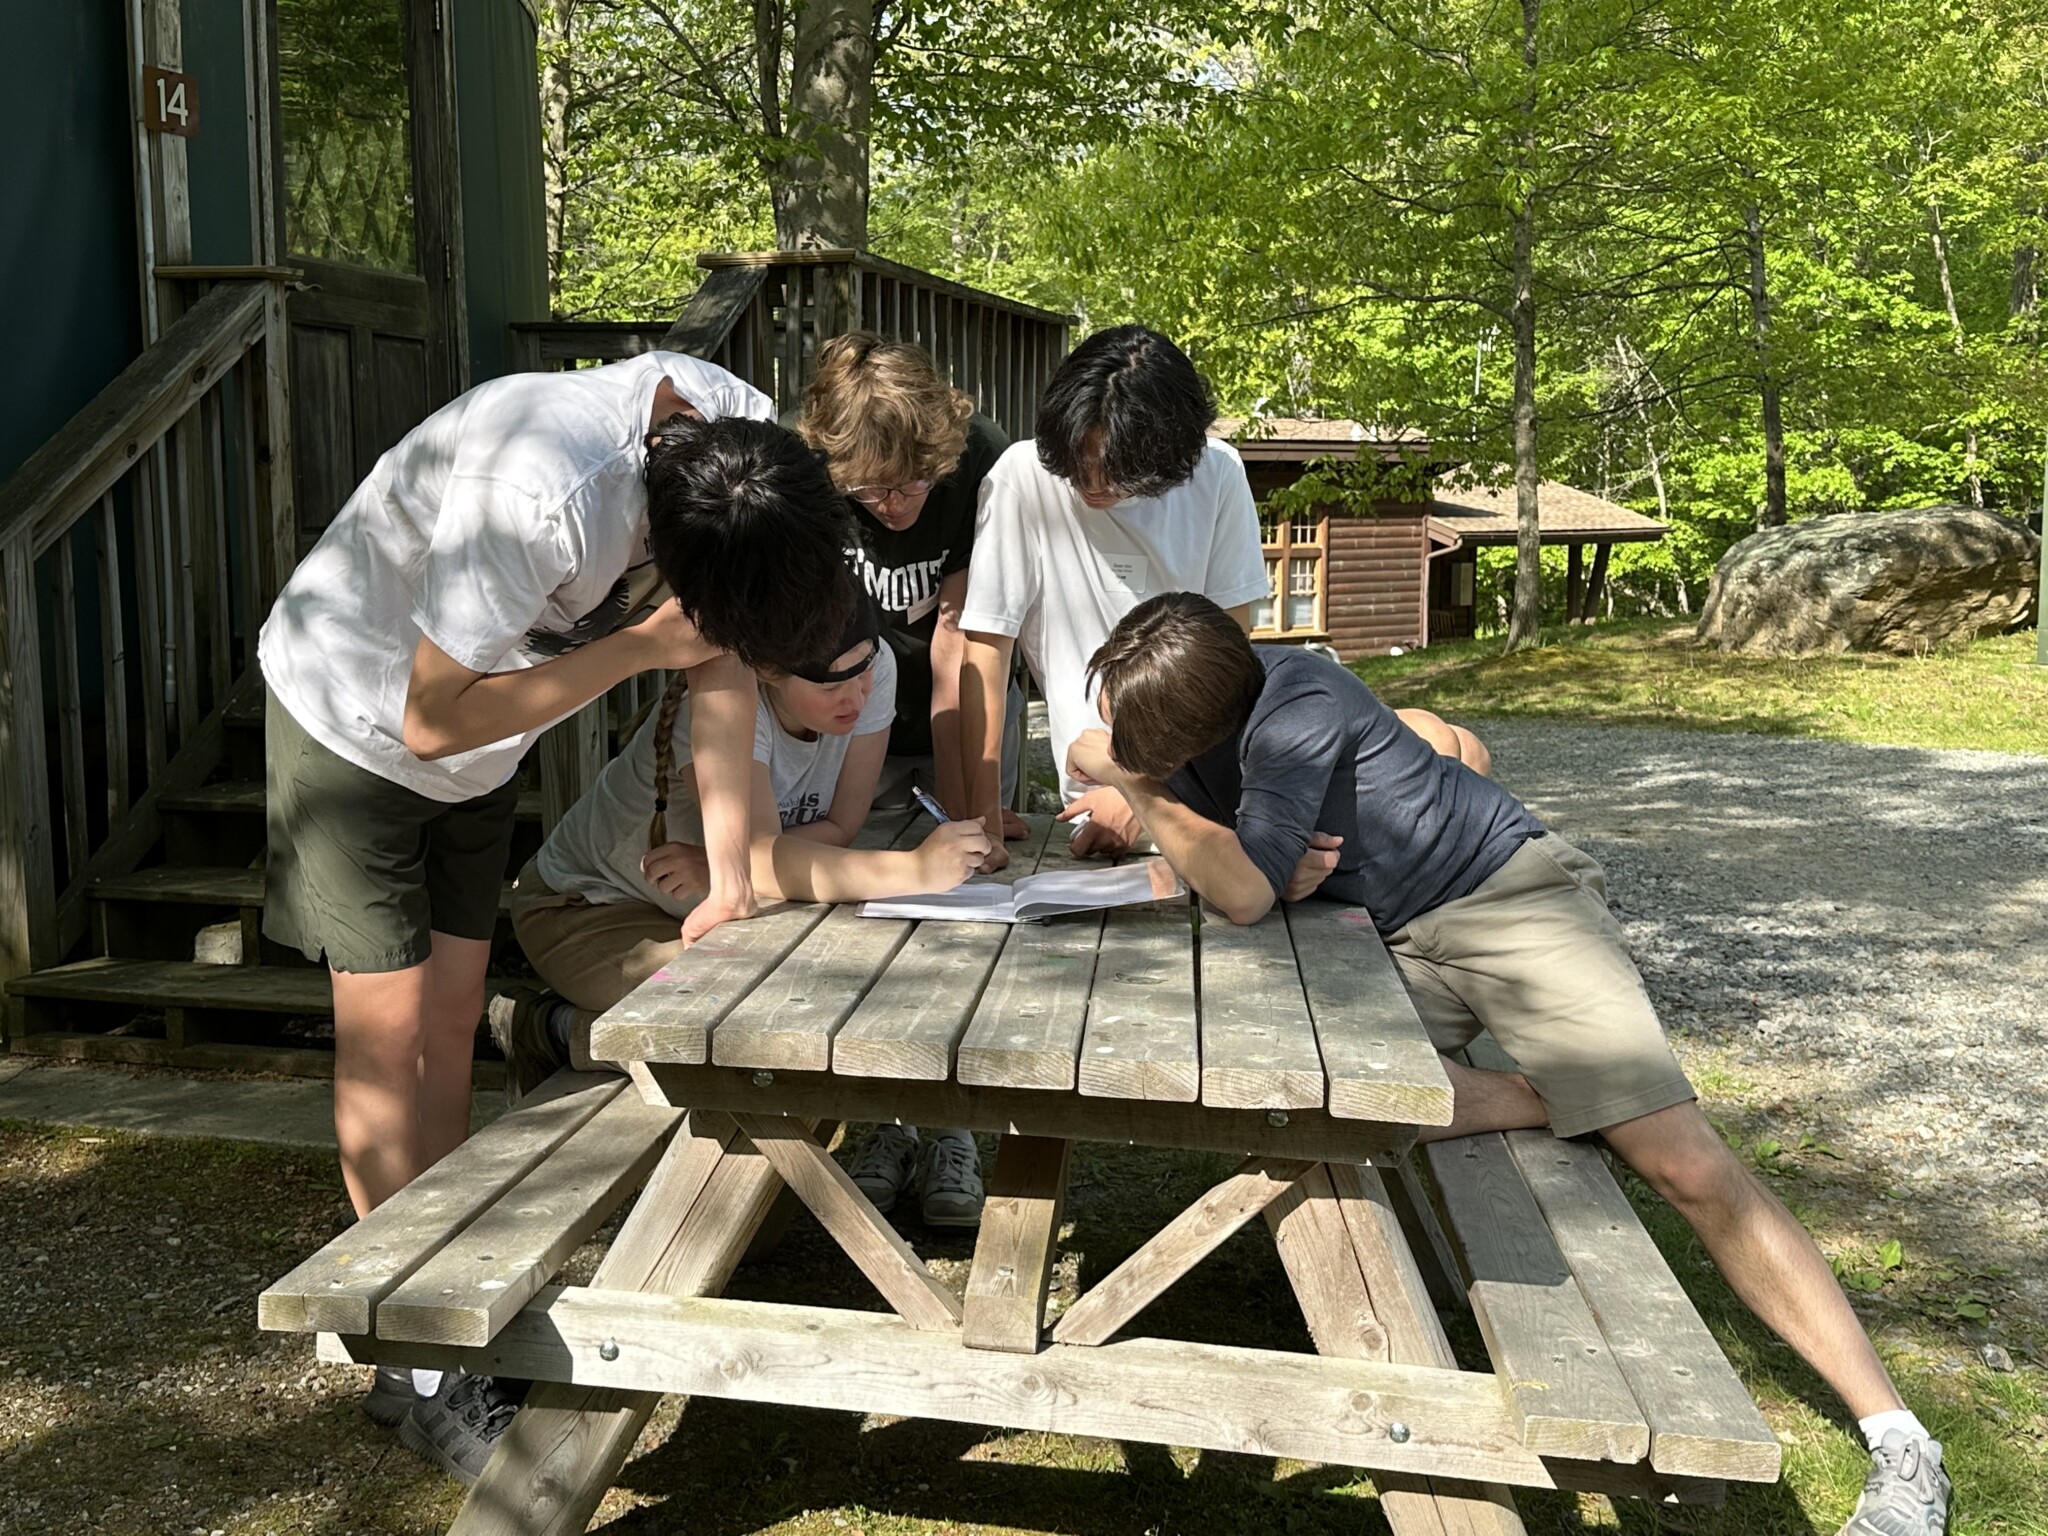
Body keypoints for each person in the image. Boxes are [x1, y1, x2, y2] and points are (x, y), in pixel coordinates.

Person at [1068, 592, 1949, 1536]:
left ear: (1213, 714)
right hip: (1384, 940)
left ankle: (1899, 1438)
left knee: (1684, 1163)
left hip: (1506, 897)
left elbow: (1238, 890)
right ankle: (1550, 1100)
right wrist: (1164, 814)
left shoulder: (1295, 706)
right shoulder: (1190, 724)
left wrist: (1151, 797)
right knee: (1280, 1084)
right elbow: (1219, 861)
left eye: (1148, 738)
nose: (1128, 742)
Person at [256, 351, 853, 1479]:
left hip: (482, 756)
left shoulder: (744, 455)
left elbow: (716, 674)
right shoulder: (539, 489)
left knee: (449, 1030)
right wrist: (637, 647)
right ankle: (416, 1358)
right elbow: (431, 719)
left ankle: (441, 1305)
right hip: (354, 722)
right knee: (389, 1045)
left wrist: (730, 879)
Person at [500, 588, 996, 1226]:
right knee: (745, 1016)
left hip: (710, 907)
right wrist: (909, 870)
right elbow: (765, 862)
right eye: (829, 683)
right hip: (587, 905)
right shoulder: (719, 708)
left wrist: (733, 860)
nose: (856, 694)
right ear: (767, 672)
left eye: (865, 667)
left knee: (800, 1001)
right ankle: (553, 1030)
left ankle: (774, 1179)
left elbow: (841, 825)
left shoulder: (872, 671)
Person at [956, 325, 1270, 869]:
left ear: (1172, 452)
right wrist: (983, 819)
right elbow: (986, 652)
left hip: (1210, 796)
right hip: (1091, 800)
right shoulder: (1021, 479)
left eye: (1117, 468)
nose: (1094, 482)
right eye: (1079, 461)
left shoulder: (1216, 472)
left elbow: (1230, 665)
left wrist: (1146, 795)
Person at [790, 333, 1028, 828]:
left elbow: (956, 642)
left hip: (966, 710)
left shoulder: (981, 457)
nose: (891, 504)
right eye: (869, 488)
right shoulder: (798, 466)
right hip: (846, 715)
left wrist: (966, 811)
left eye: (912, 482)